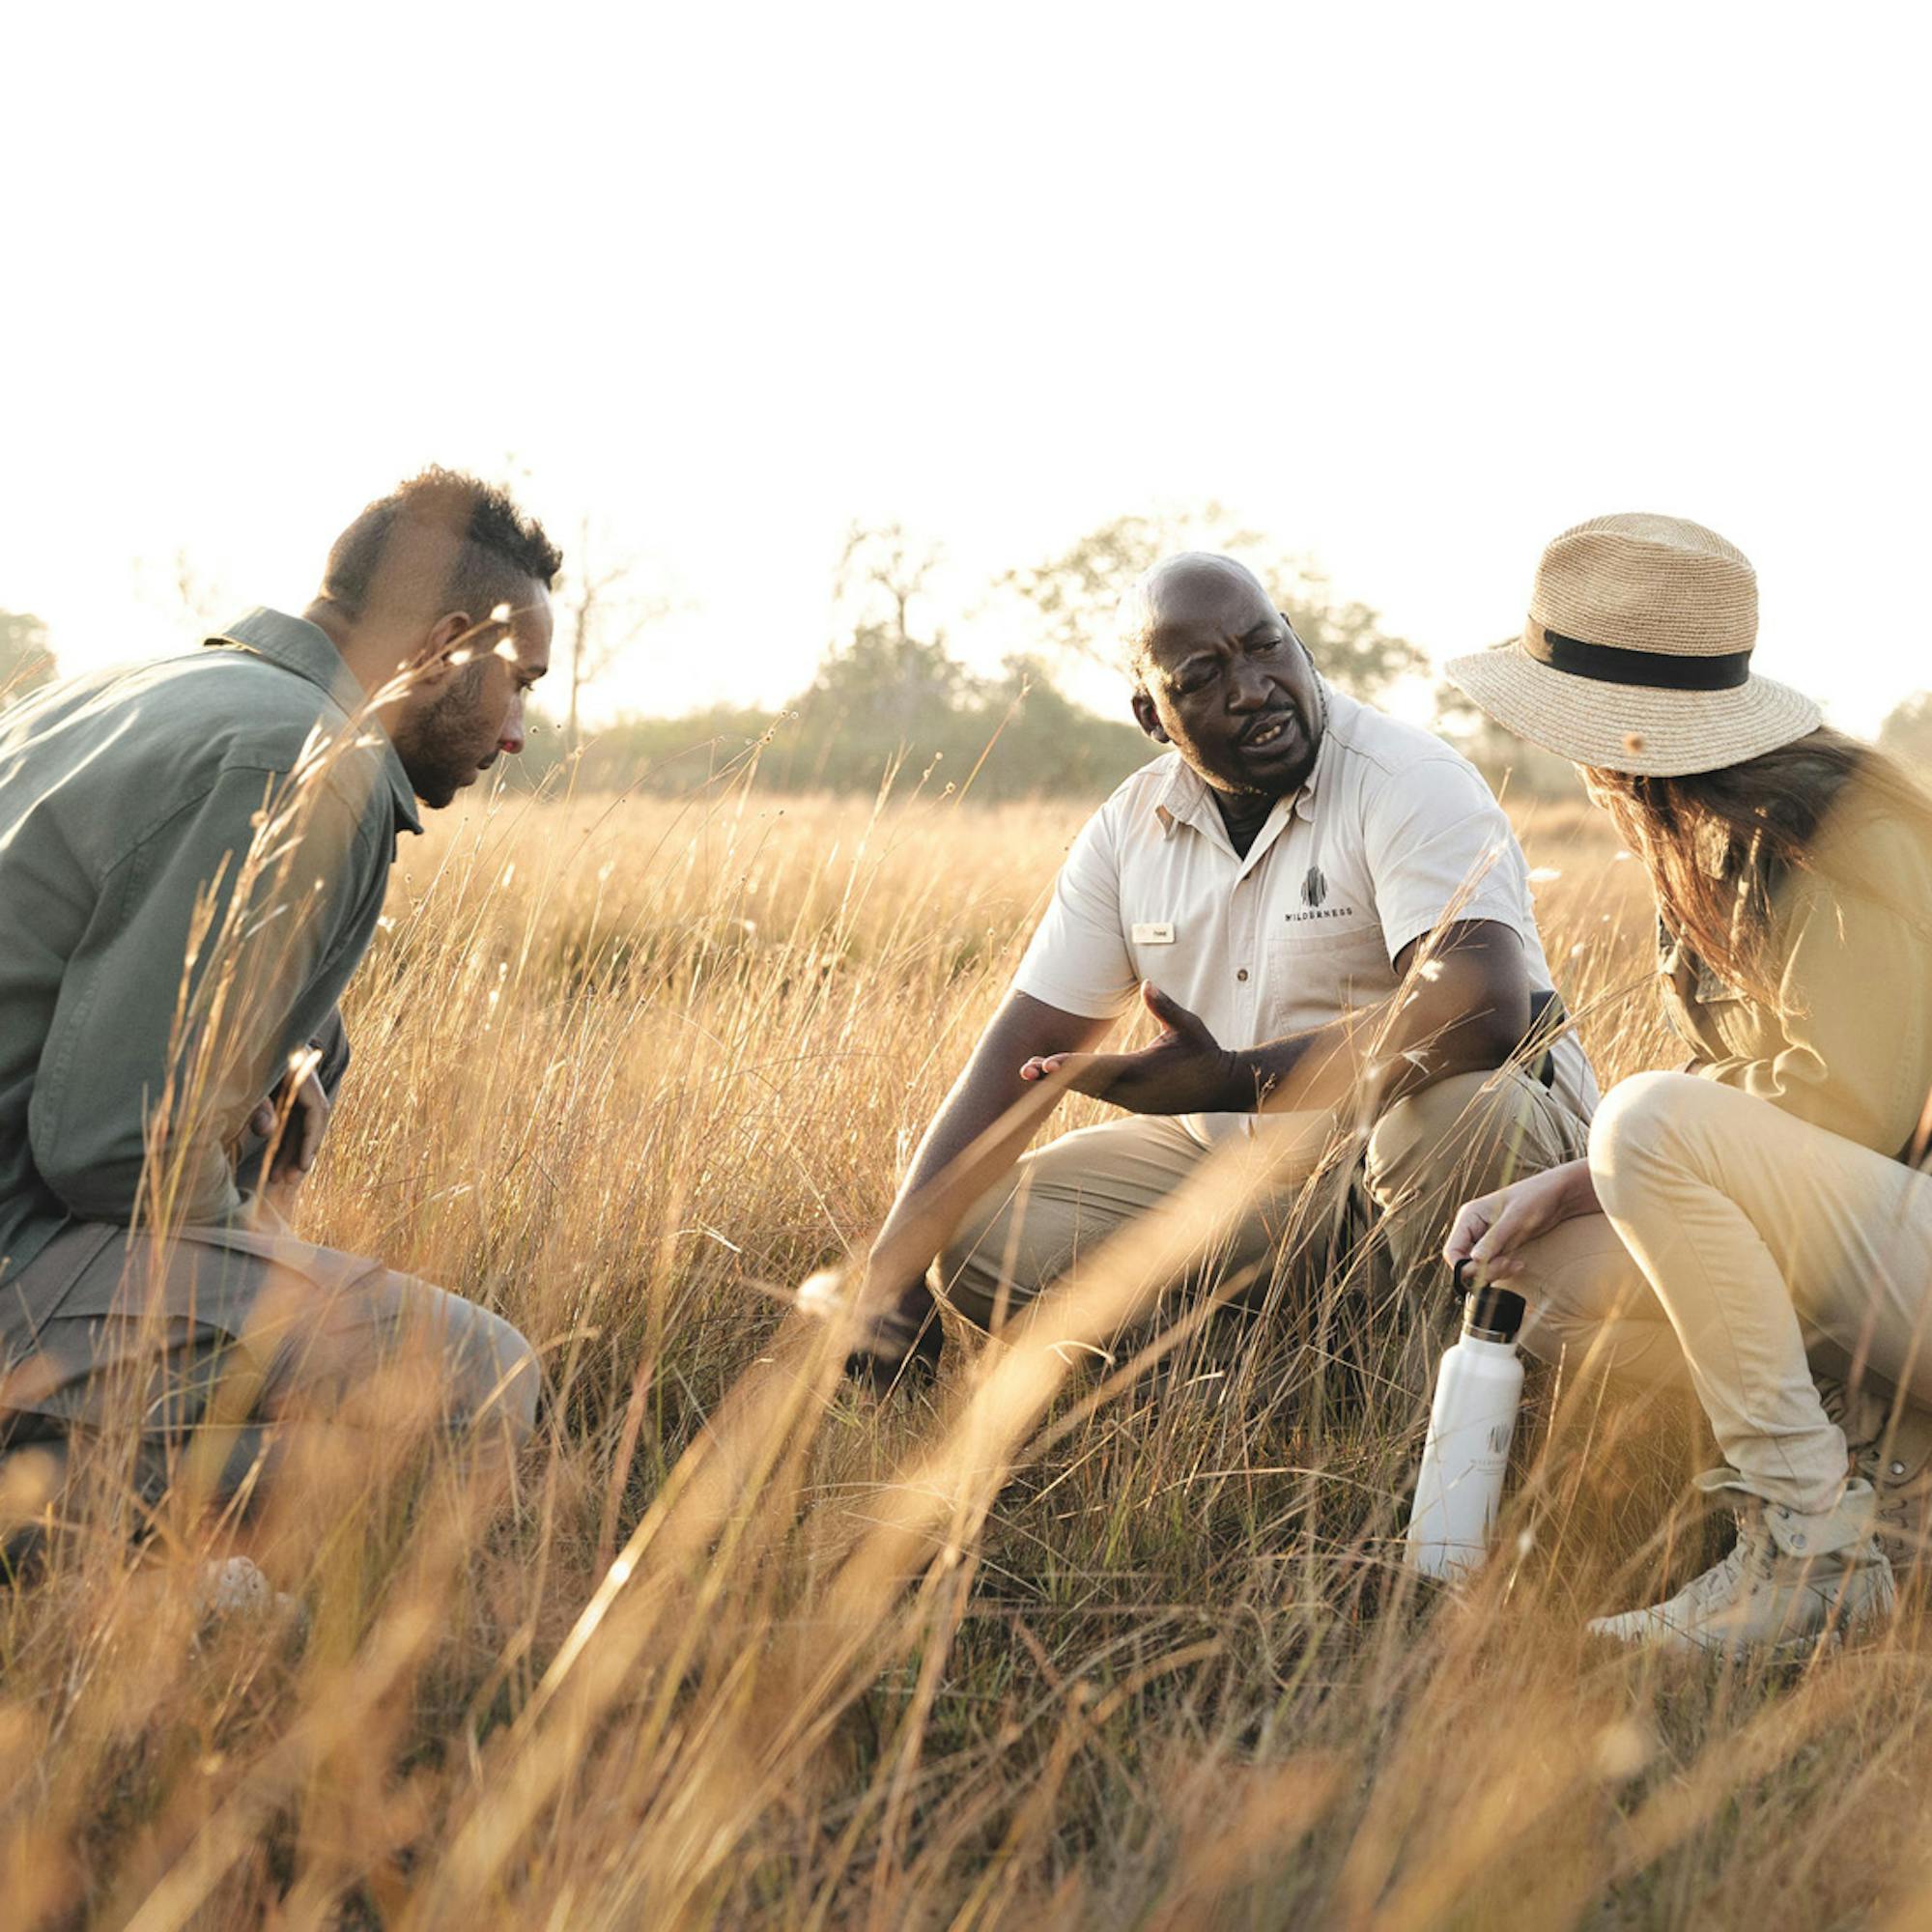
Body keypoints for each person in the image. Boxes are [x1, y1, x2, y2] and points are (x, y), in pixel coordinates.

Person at [846, 552, 1597, 1381]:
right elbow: (1026, 1047)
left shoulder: (1408, 779)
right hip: (1248, 1178)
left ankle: (1441, 1416)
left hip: (1432, 1168)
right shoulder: (1131, 828)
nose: (1253, 688)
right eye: (1203, 675)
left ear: (1301, 647)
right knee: (987, 1232)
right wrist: (890, 1272)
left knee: (1462, 1112)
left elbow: (1477, 1012)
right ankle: (1274, 1392)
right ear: (1153, 716)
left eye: (1266, 645)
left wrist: (1233, 1079)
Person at [0, 468, 558, 1567]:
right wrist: (255, 1236)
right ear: (445, 644)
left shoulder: (141, 686)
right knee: (482, 1384)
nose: (515, 735)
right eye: (521, 685)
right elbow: (122, 1152)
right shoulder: (305, 762)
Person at [1442, 511, 1932, 1654]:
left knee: (1645, 1116)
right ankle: (1848, 1484)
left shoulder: (1832, 830)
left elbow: (1849, 1113)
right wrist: (1577, 1184)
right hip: (1886, 1254)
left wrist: (1612, 1149)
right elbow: (1756, 1114)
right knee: (1547, 1277)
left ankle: (1813, 1540)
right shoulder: (1703, 828)